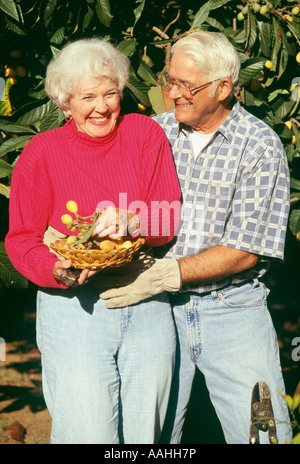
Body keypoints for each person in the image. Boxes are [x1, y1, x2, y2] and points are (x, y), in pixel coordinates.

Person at [98, 31, 293, 444]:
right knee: (150, 435)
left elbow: (245, 251)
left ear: (223, 87)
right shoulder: (154, 133)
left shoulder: (259, 145)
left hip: (232, 308)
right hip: (157, 310)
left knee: (261, 432)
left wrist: (165, 274)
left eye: (187, 85)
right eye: (171, 81)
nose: (173, 93)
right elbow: (132, 205)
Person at [5, 37, 181, 444]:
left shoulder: (144, 134)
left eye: (110, 93)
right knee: (88, 432)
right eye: (87, 96)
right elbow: (21, 240)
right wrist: (55, 269)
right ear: (65, 103)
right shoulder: (40, 153)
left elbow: (168, 216)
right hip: (74, 310)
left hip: (145, 298)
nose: (101, 107)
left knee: (146, 435)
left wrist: (133, 221)